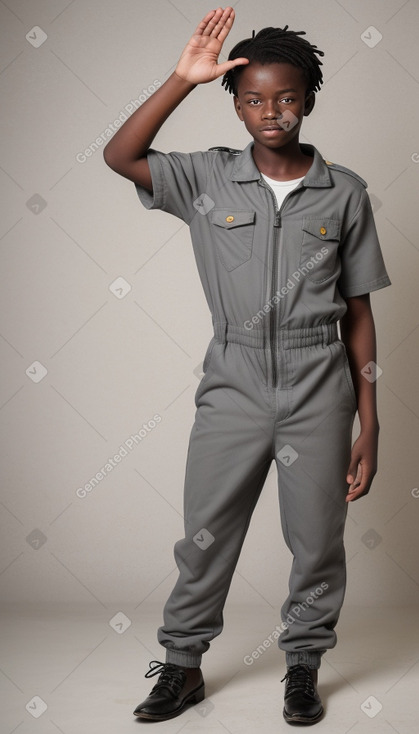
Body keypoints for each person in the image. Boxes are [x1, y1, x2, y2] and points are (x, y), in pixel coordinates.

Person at [103, 6, 391, 726]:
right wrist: (180, 79)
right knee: (205, 532)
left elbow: (357, 312)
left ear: (308, 100)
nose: (271, 111)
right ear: (234, 103)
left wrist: (370, 421)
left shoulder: (343, 191)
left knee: (316, 538)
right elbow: (120, 154)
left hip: (317, 381)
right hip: (231, 379)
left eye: (286, 97)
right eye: (255, 99)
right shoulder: (205, 177)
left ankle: (302, 666)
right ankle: (181, 668)